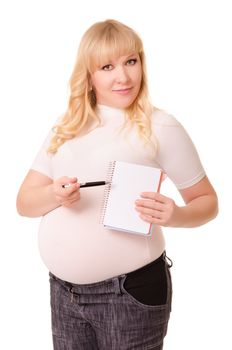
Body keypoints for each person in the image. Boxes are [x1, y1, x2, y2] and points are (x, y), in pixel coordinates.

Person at [16, 19, 218, 350]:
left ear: (142, 64)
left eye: (130, 61)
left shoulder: (161, 127)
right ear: (89, 76)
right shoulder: (66, 127)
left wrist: (175, 214)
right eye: (107, 66)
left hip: (128, 296)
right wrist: (54, 194)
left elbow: (208, 202)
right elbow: (24, 202)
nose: (122, 76)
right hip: (64, 294)